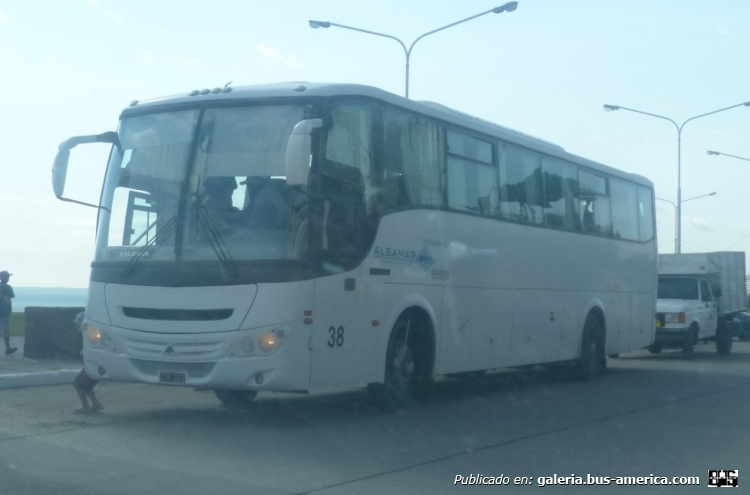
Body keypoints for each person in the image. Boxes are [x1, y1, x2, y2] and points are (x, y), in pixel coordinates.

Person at [73, 312, 103, 414]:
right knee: (86, 386)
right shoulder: (89, 336)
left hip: (89, 367)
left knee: (78, 384)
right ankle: (95, 404)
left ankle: (85, 406)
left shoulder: (88, 337)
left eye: (77, 325)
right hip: (89, 366)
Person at [0, 270, 17, 355]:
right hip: (4, 312)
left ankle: (8, 348)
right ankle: (8, 348)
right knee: (6, 331)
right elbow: (10, 298)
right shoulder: (8, 287)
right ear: (6, 279)